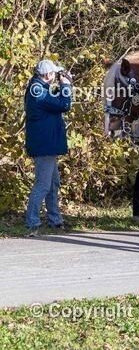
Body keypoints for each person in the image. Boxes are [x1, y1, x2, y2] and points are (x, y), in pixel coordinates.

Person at [24, 59, 73, 236]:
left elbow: (56, 102)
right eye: (54, 74)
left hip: (47, 145)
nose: (56, 77)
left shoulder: (40, 88)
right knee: (43, 185)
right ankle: (32, 222)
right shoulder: (38, 91)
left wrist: (62, 86)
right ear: (47, 75)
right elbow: (64, 104)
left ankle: (55, 220)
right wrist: (66, 86)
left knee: (53, 184)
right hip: (44, 146)